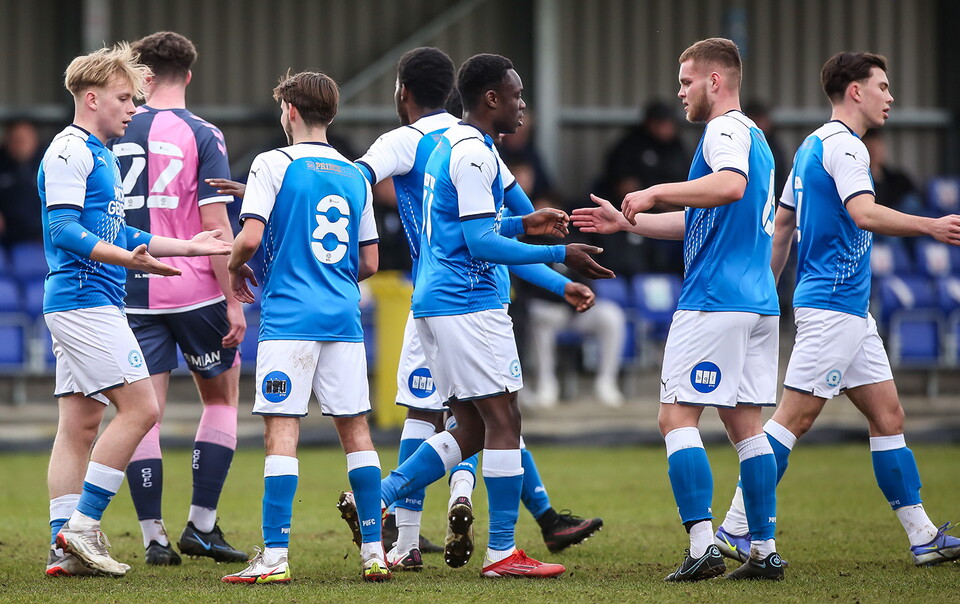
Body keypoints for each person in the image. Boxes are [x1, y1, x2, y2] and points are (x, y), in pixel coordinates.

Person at [713, 52, 960, 568]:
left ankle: (922, 536)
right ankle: (736, 527)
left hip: (845, 310)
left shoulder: (809, 146)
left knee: (889, 416)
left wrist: (767, 289)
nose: (891, 97)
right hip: (832, 309)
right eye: (884, 87)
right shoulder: (847, 148)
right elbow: (863, 212)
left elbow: (782, 226)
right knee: (791, 421)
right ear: (855, 92)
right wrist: (932, 226)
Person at [573, 38, 784, 581]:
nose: (680, 92)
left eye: (687, 81)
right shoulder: (757, 138)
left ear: (716, 82)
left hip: (715, 300)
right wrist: (629, 223)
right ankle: (763, 551)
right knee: (746, 426)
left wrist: (653, 192)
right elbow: (706, 220)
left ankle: (701, 546)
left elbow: (729, 188)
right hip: (757, 301)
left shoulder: (725, 130)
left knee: (676, 416)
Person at [41, 43, 233, 578]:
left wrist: (189, 247)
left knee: (78, 427)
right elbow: (63, 231)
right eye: (125, 99)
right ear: (91, 96)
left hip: (88, 301)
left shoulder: (100, 152)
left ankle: (64, 548)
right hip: (86, 301)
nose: (132, 108)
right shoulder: (68, 151)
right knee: (143, 409)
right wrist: (130, 260)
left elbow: (117, 230)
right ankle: (81, 528)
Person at [219, 70, 390, 584]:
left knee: (281, 432)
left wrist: (234, 268)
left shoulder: (271, 163)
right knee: (357, 431)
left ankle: (274, 558)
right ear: (331, 115)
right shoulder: (357, 174)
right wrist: (329, 276)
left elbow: (248, 240)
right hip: (342, 318)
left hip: (289, 319)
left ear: (289, 112)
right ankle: (376, 554)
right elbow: (372, 261)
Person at [107, 30, 246, 567]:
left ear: (140, 77)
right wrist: (233, 298)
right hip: (193, 291)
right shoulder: (202, 133)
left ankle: (153, 538)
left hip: (130, 289)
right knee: (219, 400)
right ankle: (202, 526)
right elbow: (215, 225)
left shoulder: (112, 130)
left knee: (144, 414)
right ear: (188, 75)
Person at [0, 119, 46, 248]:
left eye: (24, 140)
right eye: (15, 140)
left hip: (42, 236)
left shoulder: (50, 164)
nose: (20, 144)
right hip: (6, 237)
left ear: (35, 140)